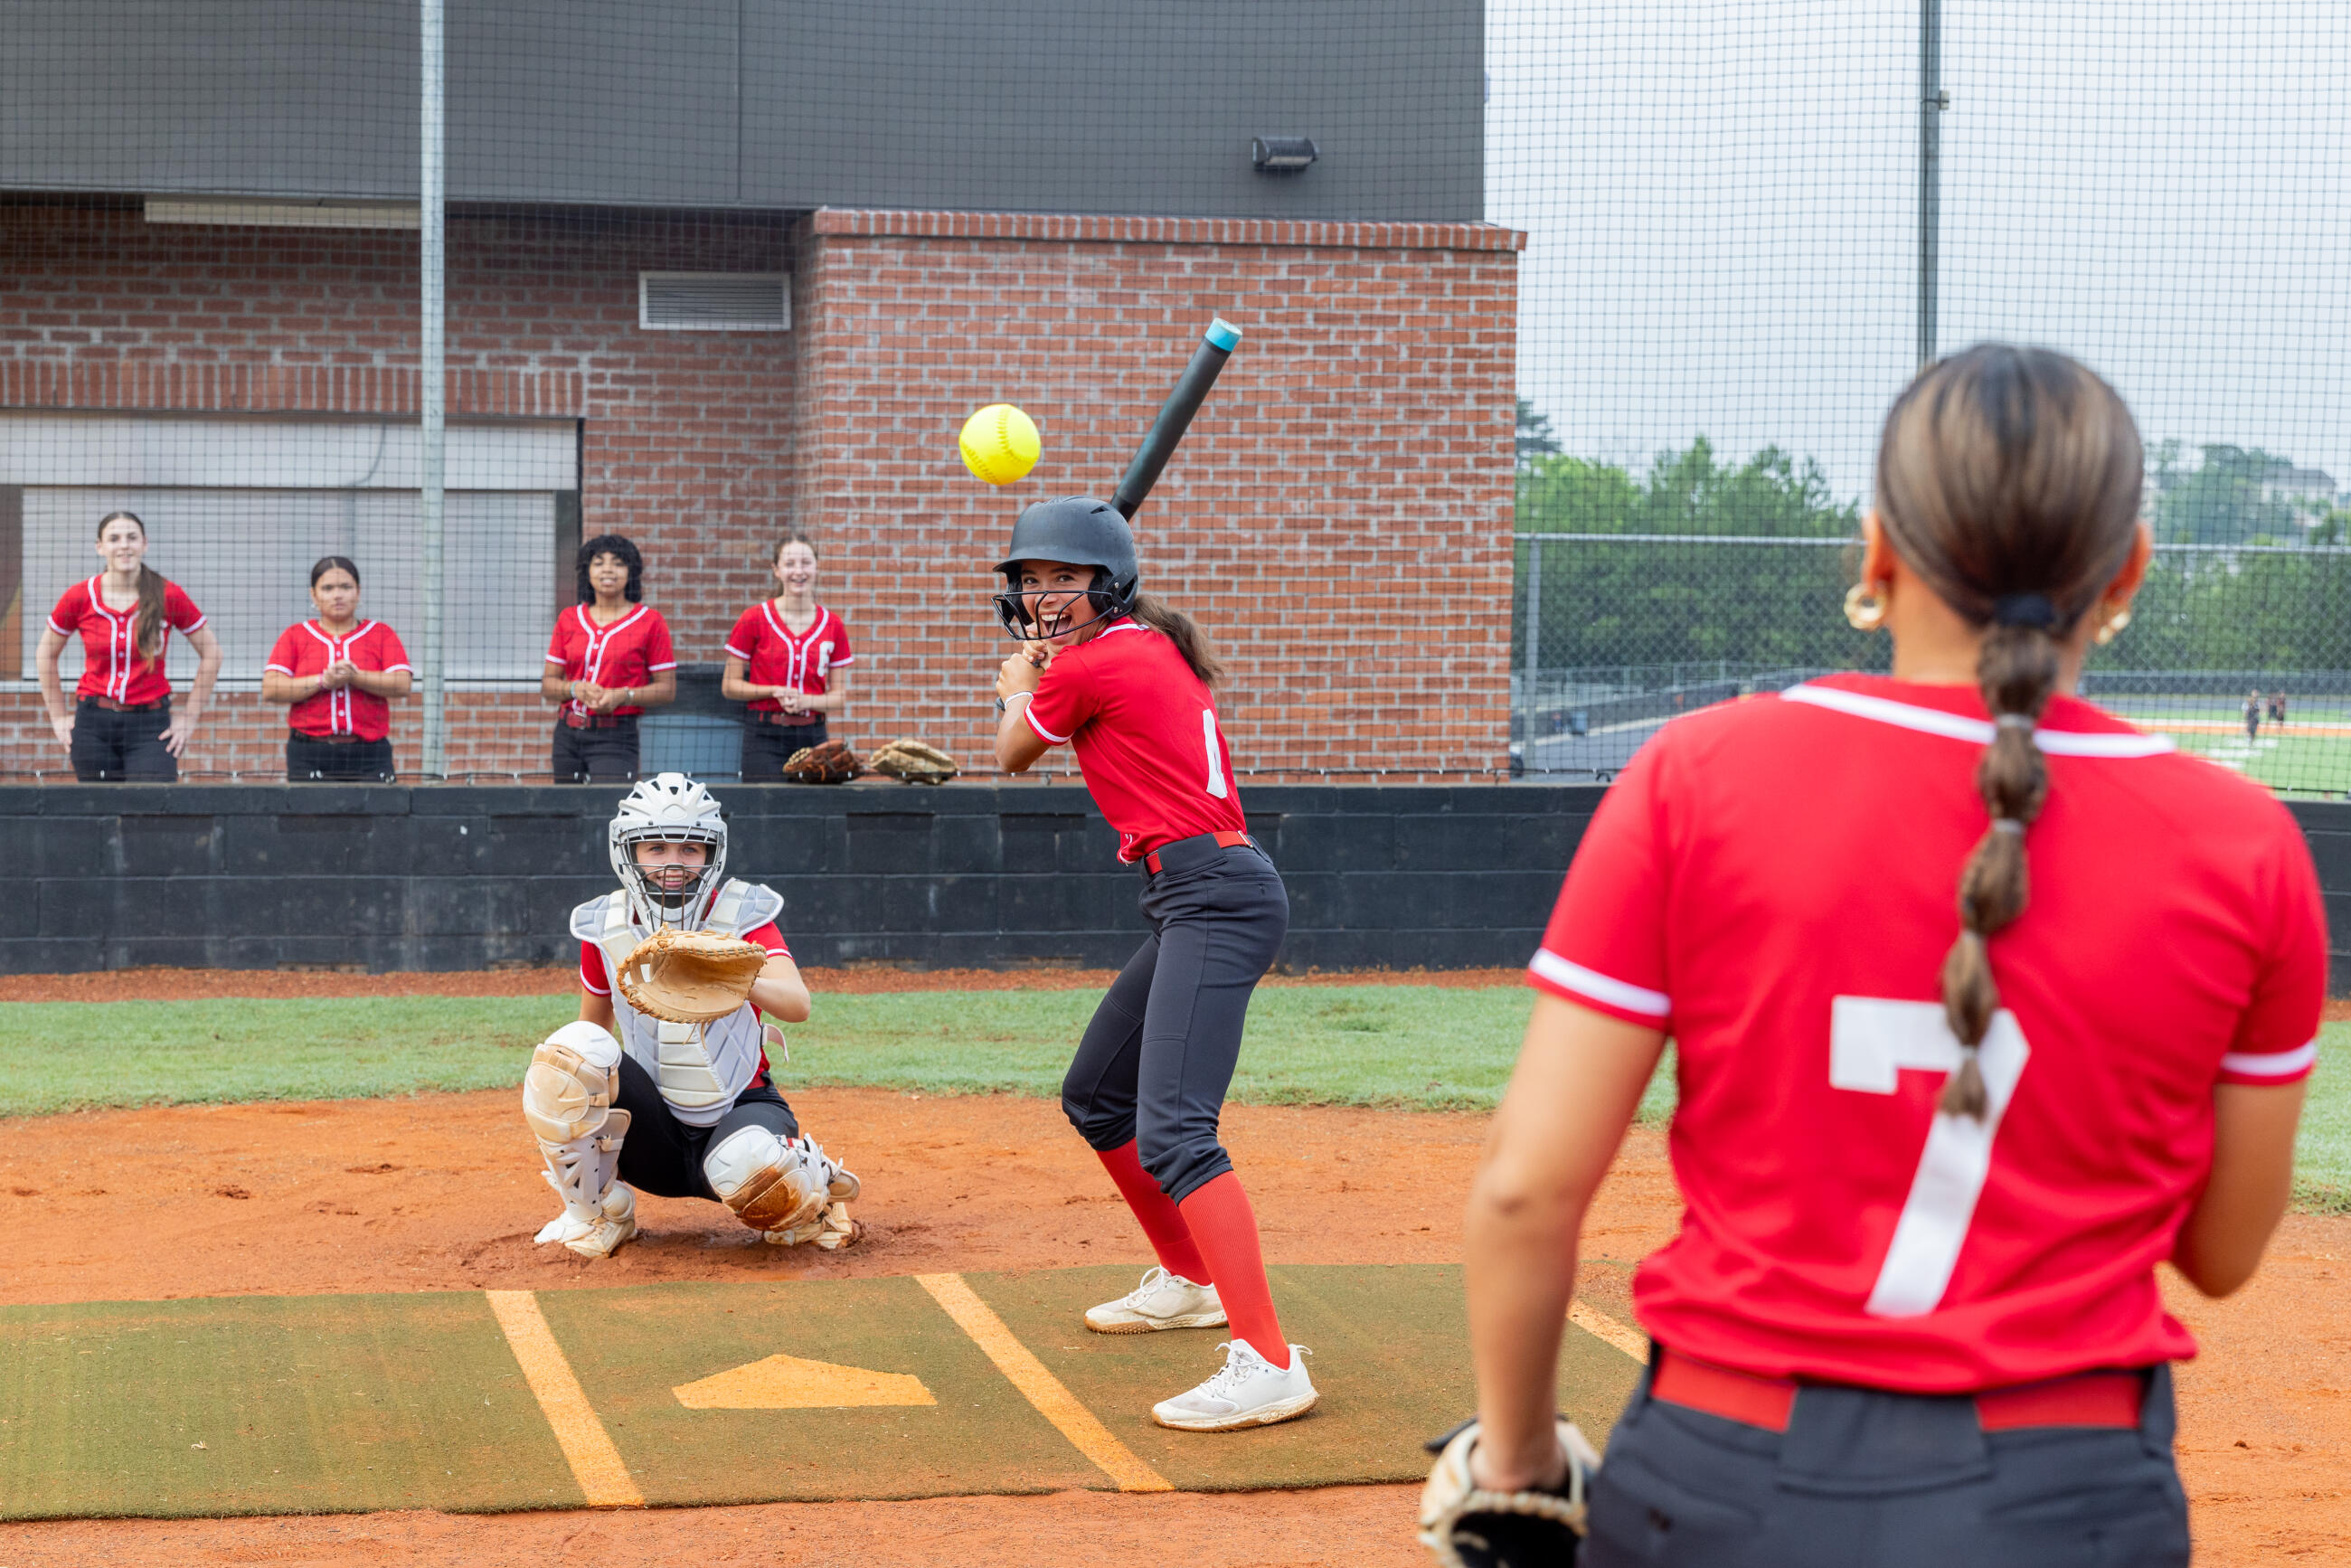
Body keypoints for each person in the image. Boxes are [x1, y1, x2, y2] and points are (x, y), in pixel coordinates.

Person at [1454, 345, 2322, 1564]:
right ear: (2126, 568)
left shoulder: (1697, 775)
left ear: (1875, 551)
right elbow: (2221, 1255)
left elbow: (1523, 1190)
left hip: (1718, 1475)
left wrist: (1517, 1468)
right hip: (2066, 1496)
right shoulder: (2245, 843)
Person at [991, 496, 1317, 1432]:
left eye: (1065, 578)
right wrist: (1049, 666)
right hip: (1195, 894)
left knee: (1176, 1133)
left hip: (1214, 895)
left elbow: (1013, 753)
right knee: (1097, 1095)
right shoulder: (1143, 645)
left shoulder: (1090, 663)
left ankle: (1268, 1362)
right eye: (1032, 580)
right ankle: (1188, 1278)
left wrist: (1016, 684)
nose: (1044, 596)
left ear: (1110, 584)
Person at [525, 772, 861, 1258]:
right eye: (656, 848)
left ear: (711, 853)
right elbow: (590, 1034)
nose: (673, 862)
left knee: (746, 1162)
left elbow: (798, 1004)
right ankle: (597, 1214)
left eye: (690, 848)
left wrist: (729, 977)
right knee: (567, 1054)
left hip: (741, 1114)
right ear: (628, 851)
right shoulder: (605, 926)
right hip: (653, 1139)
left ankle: (813, 1194)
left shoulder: (742, 914)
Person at [35, 510, 222, 781]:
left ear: (144, 544)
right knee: (99, 804)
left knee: (151, 802)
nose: (124, 545)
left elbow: (212, 653)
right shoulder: (80, 596)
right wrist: (58, 717)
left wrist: (189, 717)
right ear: (100, 547)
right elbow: (45, 653)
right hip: (93, 724)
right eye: (114, 539)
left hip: (151, 725)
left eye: (132, 537)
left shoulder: (169, 594)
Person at [262, 556, 412, 783]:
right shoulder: (296, 635)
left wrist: (355, 677)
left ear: (358, 592)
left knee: (377, 807)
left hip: (370, 754)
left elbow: (402, 684)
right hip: (309, 753)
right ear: (314, 595)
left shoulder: (381, 633)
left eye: (345, 587)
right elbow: (271, 689)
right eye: (328, 588)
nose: (337, 595)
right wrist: (323, 681)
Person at [543, 534, 675, 784]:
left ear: (631, 572)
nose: (608, 570)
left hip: (616, 736)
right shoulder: (569, 618)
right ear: (587, 571)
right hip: (567, 735)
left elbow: (667, 690)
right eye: (598, 562)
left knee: (611, 804)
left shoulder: (650, 622)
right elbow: (548, 685)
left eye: (618, 563)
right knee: (565, 805)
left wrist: (622, 696)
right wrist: (574, 689)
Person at [722, 534, 855, 780]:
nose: (798, 571)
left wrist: (805, 701)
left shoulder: (833, 624)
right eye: (790, 564)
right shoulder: (753, 618)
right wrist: (774, 691)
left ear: (816, 567)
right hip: (763, 735)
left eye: (806, 563)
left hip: (813, 736)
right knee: (764, 802)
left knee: (811, 804)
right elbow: (730, 686)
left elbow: (839, 697)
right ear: (776, 570)